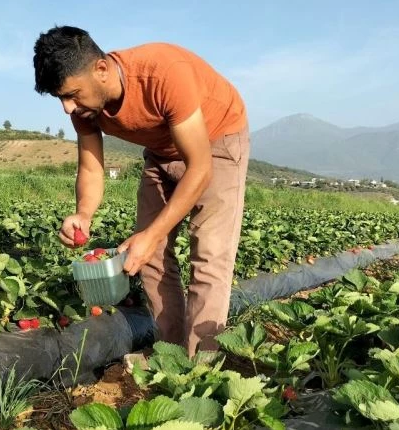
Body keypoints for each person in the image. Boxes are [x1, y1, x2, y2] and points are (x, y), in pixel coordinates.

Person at [32, 25, 250, 358]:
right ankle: (171, 355)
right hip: (161, 152)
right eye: (60, 97)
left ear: (101, 69)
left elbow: (200, 168)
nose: (67, 108)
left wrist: (152, 233)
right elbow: (91, 167)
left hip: (216, 142)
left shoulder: (163, 74)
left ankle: (200, 368)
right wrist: (84, 213)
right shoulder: (85, 107)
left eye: (72, 94)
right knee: (148, 257)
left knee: (209, 258)